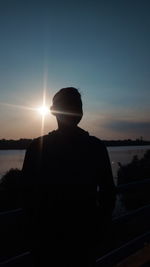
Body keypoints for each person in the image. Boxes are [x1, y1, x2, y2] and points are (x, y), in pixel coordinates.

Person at [22, 87, 116, 267]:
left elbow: (108, 193)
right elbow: (27, 197)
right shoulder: (95, 147)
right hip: (50, 241)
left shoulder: (95, 147)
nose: (73, 110)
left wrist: (99, 228)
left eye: (77, 105)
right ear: (52, 111)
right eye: (69, 105)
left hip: (80, 240)